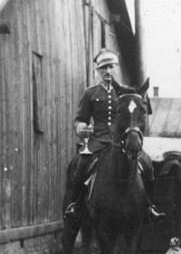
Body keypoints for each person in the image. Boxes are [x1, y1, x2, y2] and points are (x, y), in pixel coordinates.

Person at [64, 48, 165, 222]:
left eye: (111, 67)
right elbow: (79, 118)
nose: (108, 71)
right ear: (98, 71)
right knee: (81, 163)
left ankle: (150, 207)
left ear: (116, 68)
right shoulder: (90, 93)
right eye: (103, 68)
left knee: (147, 164)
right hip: (99, 140)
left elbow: (140, 113)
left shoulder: (127, 92)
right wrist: (80, 126)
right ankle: (75, 205)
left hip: (122, 141)